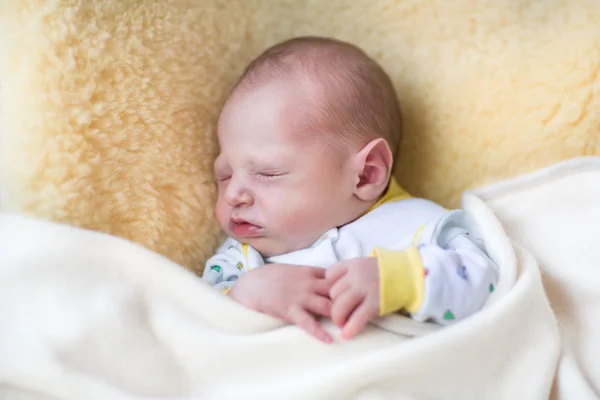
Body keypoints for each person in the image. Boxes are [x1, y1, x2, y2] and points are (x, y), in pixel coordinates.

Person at [202, 36, 498, 343]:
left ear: (366, 175)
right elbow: (192, 319)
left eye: (267, 172)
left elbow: (487, 284)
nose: (234, 194)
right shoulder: (240, 260)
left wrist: (399, 280)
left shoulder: (420, 226)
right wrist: (246, 292)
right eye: (224, 175)